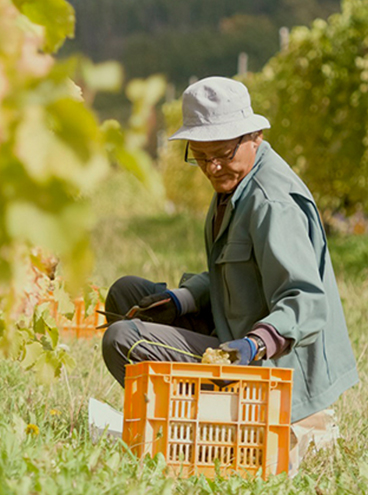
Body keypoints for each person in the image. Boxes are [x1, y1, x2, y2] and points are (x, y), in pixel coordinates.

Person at [100, 76, 357, 467]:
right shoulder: (235, 182)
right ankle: (206, 415)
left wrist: (255, 344)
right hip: (236, 329)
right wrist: (180, 300)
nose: (212, 167)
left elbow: (307, 300)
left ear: (254, 135)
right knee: (128, 294)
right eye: (200, 157)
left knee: (123, 340)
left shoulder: (270, 203)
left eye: (220, 153)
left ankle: (213, 431)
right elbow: (234, 274)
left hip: (273, 365)